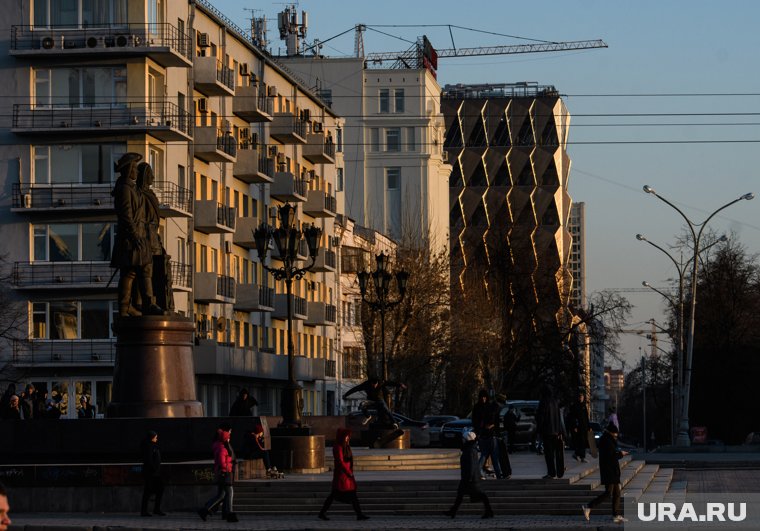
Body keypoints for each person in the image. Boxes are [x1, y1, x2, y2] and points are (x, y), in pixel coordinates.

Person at [110, 152, 160, 317]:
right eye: (135, 169)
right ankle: (129, 307)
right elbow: (126, 215)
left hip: (138, 237)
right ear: (129, 169)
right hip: (131, 238)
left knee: (137, 271)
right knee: (131, 272)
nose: (137, 173)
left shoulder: (130, 187)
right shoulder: (124, 189)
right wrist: (134, 235)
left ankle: (139, 305)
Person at [136, 162, 174, 312]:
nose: (152, 176)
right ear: (145, 176)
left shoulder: (150, 195)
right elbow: (139, 219)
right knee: (145, 271)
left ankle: (159, 302)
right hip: (144, 237)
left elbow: (155, 221)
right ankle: (146, 302)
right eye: (149, 173)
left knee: (158, 271)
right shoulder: (138, 195)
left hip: (154, 237)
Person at [582, 423, 629, 524]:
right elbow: (611, 456)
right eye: (615, 434)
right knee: (608, 493)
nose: (616, 435)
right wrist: (621, 454)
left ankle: (616, 515)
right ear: (611, 433)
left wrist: (619, 453)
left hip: (612, 470)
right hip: (609, 471)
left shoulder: (609, 439)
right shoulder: (606, 441)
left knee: (617, 493)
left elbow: (612, 454)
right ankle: (589, 506)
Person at [318, 428, 369, 521]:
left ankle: (359, 514)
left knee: (348, 495)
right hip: (342, 474)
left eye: (348, 436)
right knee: (336, 494)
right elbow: (340, 461)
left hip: (347, 475)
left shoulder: (345, 446)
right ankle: (359, 514)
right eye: (346, 436)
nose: (347, 438)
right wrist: (348, 472)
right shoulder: (338, 447)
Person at [444, 430, 494, 519]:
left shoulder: (470, 450)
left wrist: (470, 477)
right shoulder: (470, 448)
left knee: (480, 495)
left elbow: (471, 464)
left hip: (470, 478)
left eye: (463, 439)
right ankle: (453, 511)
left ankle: (489, 511)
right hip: (469, 477)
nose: (462, 440)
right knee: (462, 494)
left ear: (466, 440)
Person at [198, 424, 238, 523]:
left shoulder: (223, 446)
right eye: (228, 436)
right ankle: (229, 514)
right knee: (229, 493)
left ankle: (205, 510)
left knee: (221, 495)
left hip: (224, 473)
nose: (229, 438)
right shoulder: (221, 448)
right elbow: (221, 462)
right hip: (224, 473)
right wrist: (228, 467)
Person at [471, 390, 506, 479]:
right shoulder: (487, 407)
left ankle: (480, 472)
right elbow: (491, 421)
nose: (483, 399)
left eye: (484, 397)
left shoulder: (482, 407)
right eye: (482, 397)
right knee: (491, 455)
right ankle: (495, 473)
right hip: (486, 434)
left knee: (485, 455)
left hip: (484, 434)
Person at [536, 384, 565, 479]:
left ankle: (551, 472)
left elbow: (541, 417)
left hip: (547, 431)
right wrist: (560, 431)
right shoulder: (555, 402)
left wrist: (538, 430)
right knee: (556, 453)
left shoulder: (543, 402)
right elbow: (558, 417)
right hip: (556, 431)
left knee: (549, 454)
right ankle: (556, 471)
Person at [140, 430, 165, 517]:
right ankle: (145, 511)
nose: (156, 439)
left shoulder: (152, 445)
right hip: (151, 473)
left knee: (159, 489)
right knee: (148, 491)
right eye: (155, 437)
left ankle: (156, 509)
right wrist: (154, 469)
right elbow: (148, 459)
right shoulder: (148, 446)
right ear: (152, 438)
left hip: (155, 473)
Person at [568, 392, 590, 463]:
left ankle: (580, 456)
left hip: (584, 427)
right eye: (580, 397)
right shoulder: (575, 406)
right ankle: (578, 455)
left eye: (582, 397)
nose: (581, 399)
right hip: (578, 427)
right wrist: (574, 426)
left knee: (583, 442)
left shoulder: (584, 406)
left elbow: (586, 417)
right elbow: (572, 417)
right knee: (580, 442)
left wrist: (588, 427)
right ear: (578, 398)